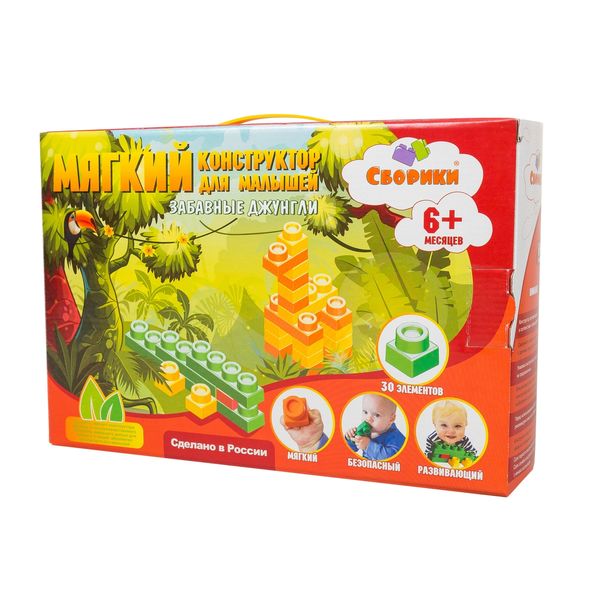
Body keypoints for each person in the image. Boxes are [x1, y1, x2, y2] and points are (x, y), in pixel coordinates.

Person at [344, 394, 405, 460]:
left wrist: (368, 446)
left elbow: (391, 458)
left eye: (377, 415)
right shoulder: (366, 430)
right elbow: (352, 449)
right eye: (365, 412)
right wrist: (351, 439)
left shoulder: (396, 438)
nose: (368, 418)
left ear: (391, 419)